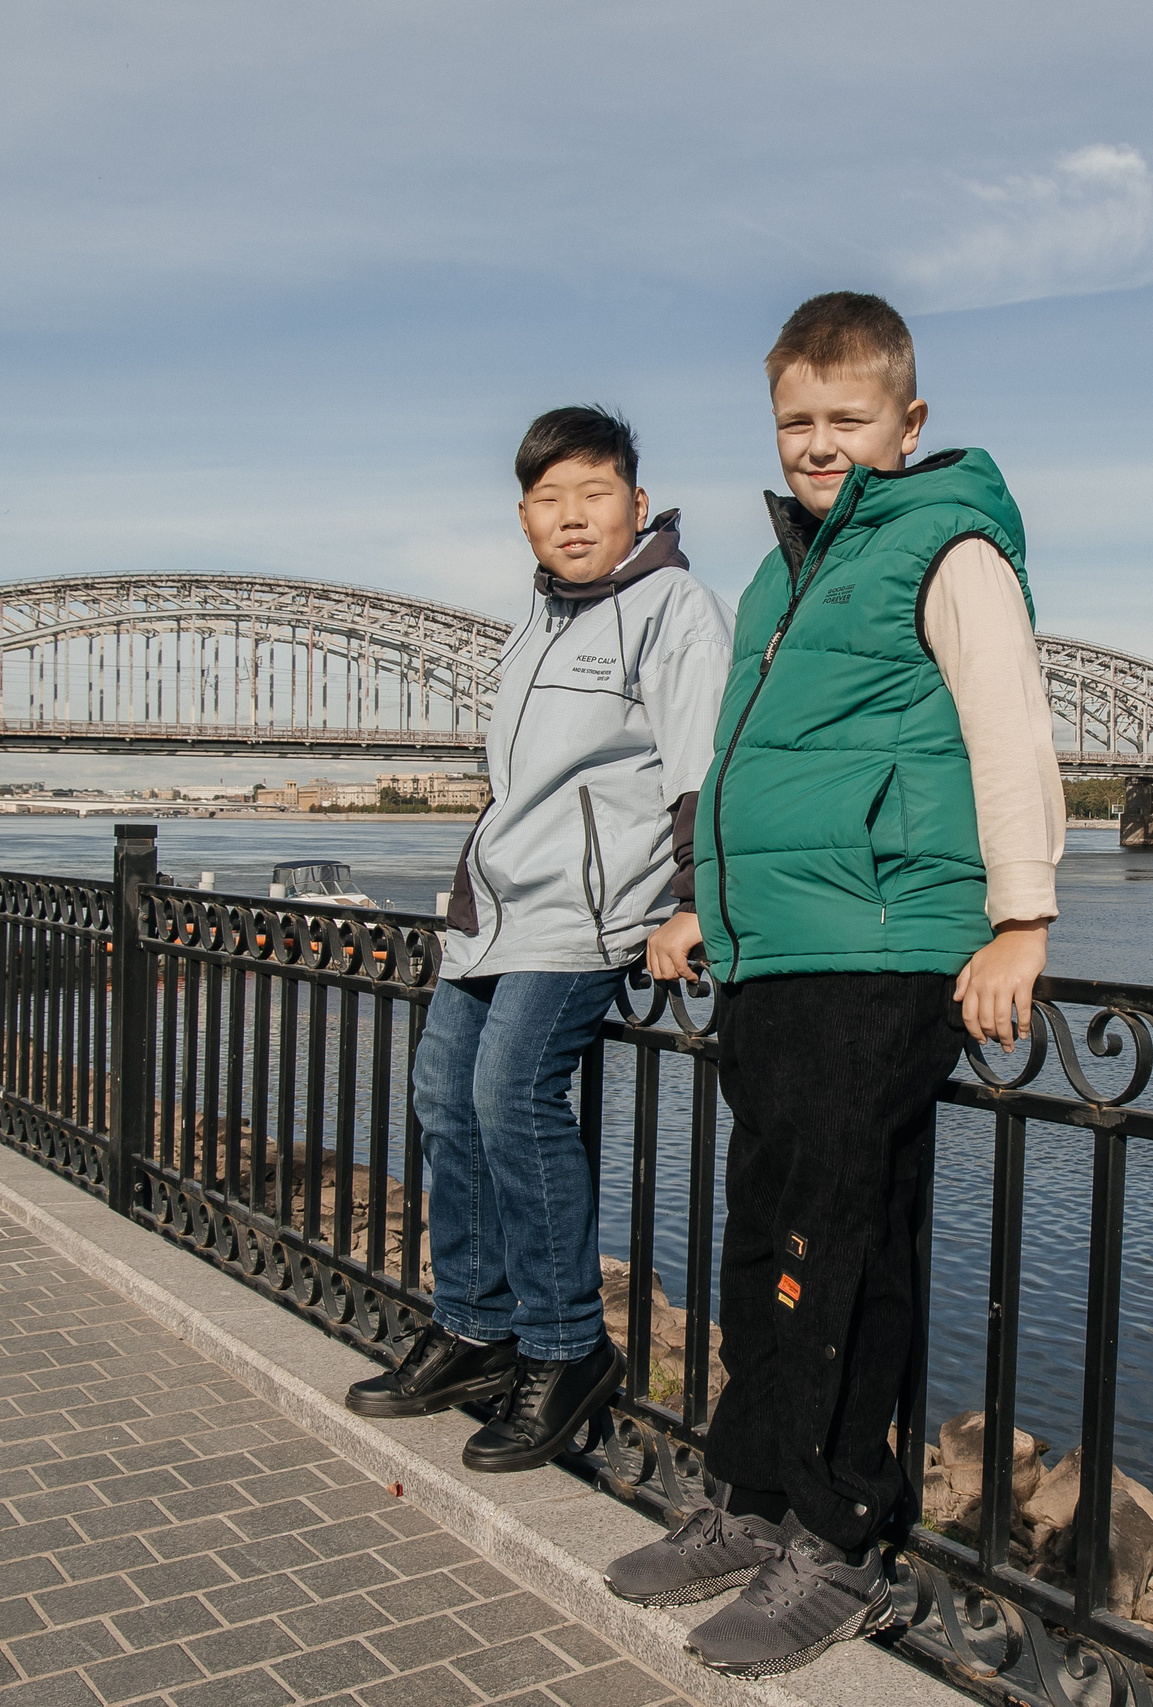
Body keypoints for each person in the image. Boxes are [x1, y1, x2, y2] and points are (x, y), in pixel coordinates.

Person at [608, 294, 1065, 1674]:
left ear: (906, 423)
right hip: (774, 948)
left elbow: (1007, 720)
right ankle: (748, 1497)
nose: (818, 443)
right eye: (797, 421)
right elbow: (753, 763)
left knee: (839, 1251)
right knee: (763, 1240)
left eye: (846, 420)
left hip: (880, 947)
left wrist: (1021, 918)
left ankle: (841, 1533)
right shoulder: (781, 573)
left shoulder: (949, 542)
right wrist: (698, 900)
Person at [345, 406, 733, 1476]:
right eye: (549, 499)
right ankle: (474, 1327)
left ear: (636, 505)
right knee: (442, 1099)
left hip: (583, 912)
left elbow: (701, 763)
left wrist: (694, 900)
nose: (572, 517)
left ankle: (567, 1351)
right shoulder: (538, 621)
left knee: (513, 1096)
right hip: (495, 912)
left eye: (593, 494)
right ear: (523, 517)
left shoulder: (674, 608)